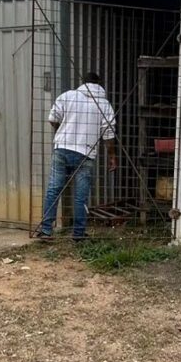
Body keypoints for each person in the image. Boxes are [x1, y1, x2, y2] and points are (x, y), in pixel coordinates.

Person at [35, 72, 117, 242]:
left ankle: (46, 231)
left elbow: (53, 118)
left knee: (54, 190)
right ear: (99, 84)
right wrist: (112, 156)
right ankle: (78, 234)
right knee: (81, 196)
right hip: (85, 154)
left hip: (62, 149)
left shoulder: (67, 96)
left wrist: (63, 131)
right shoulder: (104, 104)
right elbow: (109, 134)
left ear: (83, 82)